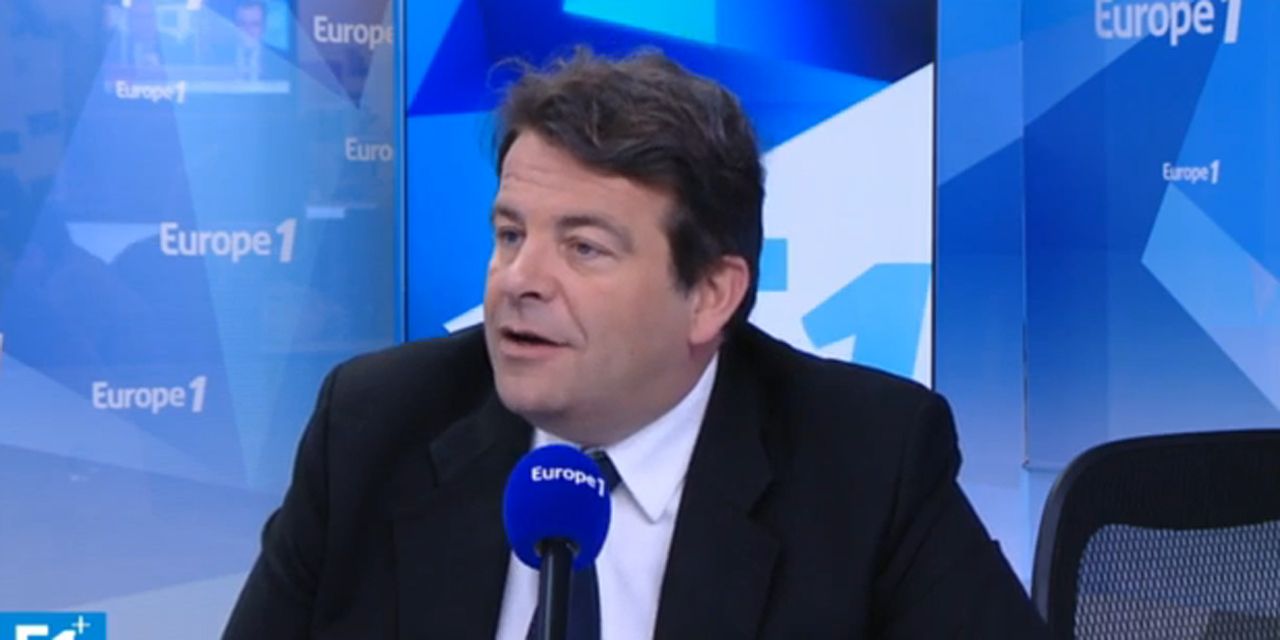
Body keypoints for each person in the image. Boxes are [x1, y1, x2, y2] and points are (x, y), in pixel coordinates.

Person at [223, 49, 1047, 639]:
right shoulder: (373, 429)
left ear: (711, 295)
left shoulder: (865, 460)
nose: (519, 280)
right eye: (510, 235)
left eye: (584, 247)